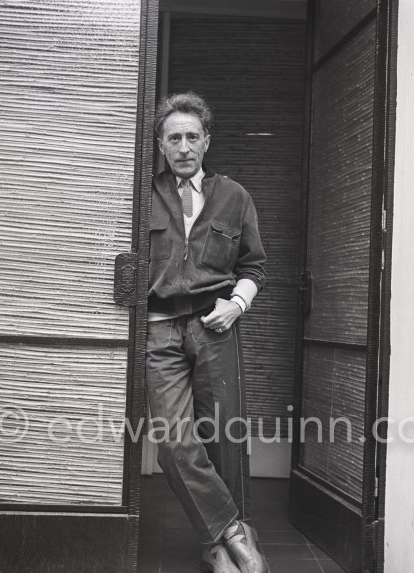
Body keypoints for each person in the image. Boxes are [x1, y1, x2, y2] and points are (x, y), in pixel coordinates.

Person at [146, 92, 268, 573]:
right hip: (159, 331)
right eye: (173, 137)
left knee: (224, 438)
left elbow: (255, 267)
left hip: (214, 328)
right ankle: (235, 532)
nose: (183, 146)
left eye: (192, 136)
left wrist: (236, 305)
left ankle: (216, 551)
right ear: (161, 144)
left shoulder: (233, 196)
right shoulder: (144, 194)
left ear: (206, 141)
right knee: (174, 441)